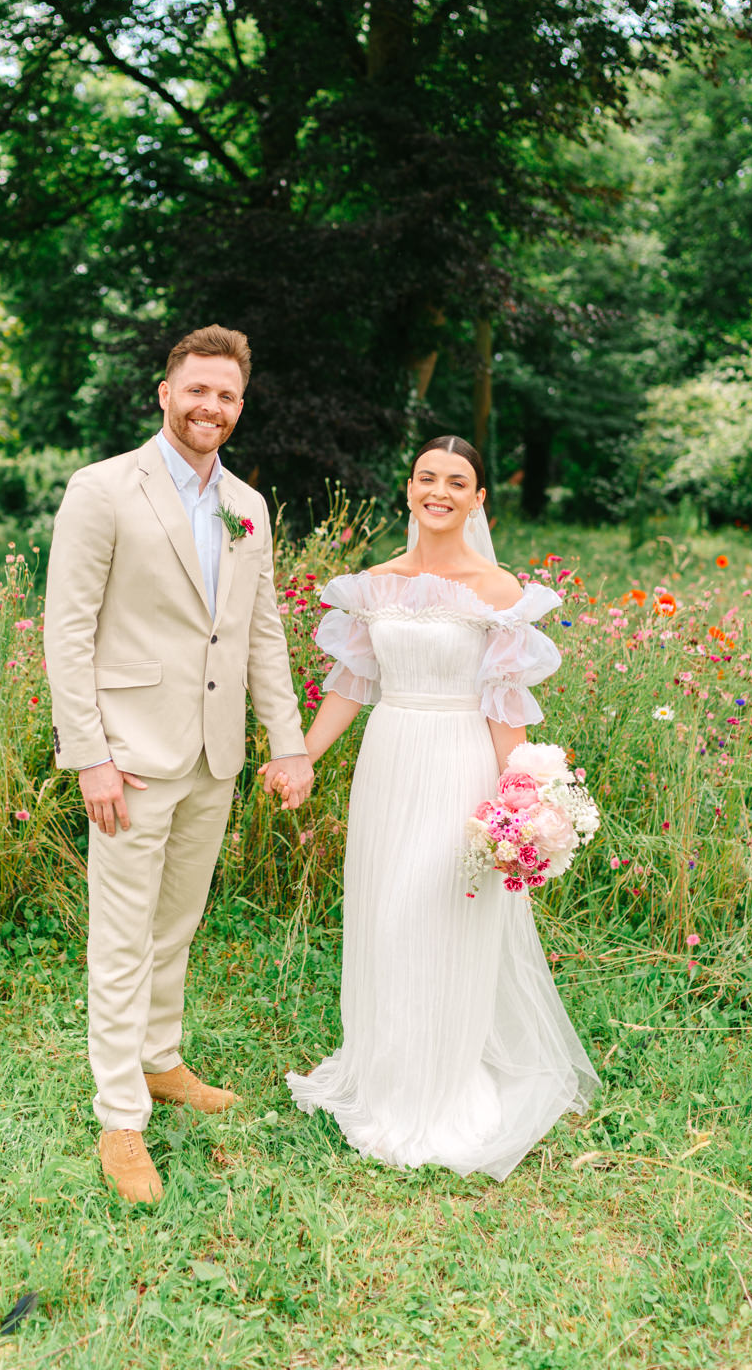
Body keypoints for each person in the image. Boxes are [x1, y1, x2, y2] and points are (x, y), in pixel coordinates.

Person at [279, 435, 598, 1178]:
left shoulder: (496, 591)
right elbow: (353, 684)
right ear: (411, 488)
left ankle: (441, 1088)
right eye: (428, 477)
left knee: (442, 914)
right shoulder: (375, 583)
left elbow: (503, 706)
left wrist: (517, 803)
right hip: (389, 762)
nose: (440, 491)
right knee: (385, 916)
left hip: (459, 766)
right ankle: (386, 1075)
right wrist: (303, 757)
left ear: (479, 499)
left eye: (458, 481)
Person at [44, 324, 314, 1205]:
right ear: (165, 392)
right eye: (197, 390)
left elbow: (261, 632)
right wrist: (90, 756)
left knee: (177, 923)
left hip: (214, 757)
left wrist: (288, 742)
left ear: (241, 404)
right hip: (128, 757)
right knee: (120, 940)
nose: (211, 407)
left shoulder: (248, 505)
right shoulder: (102, 489)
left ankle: (159, 1060)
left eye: (227, 395)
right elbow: (68, 632)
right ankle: (121, 1118)